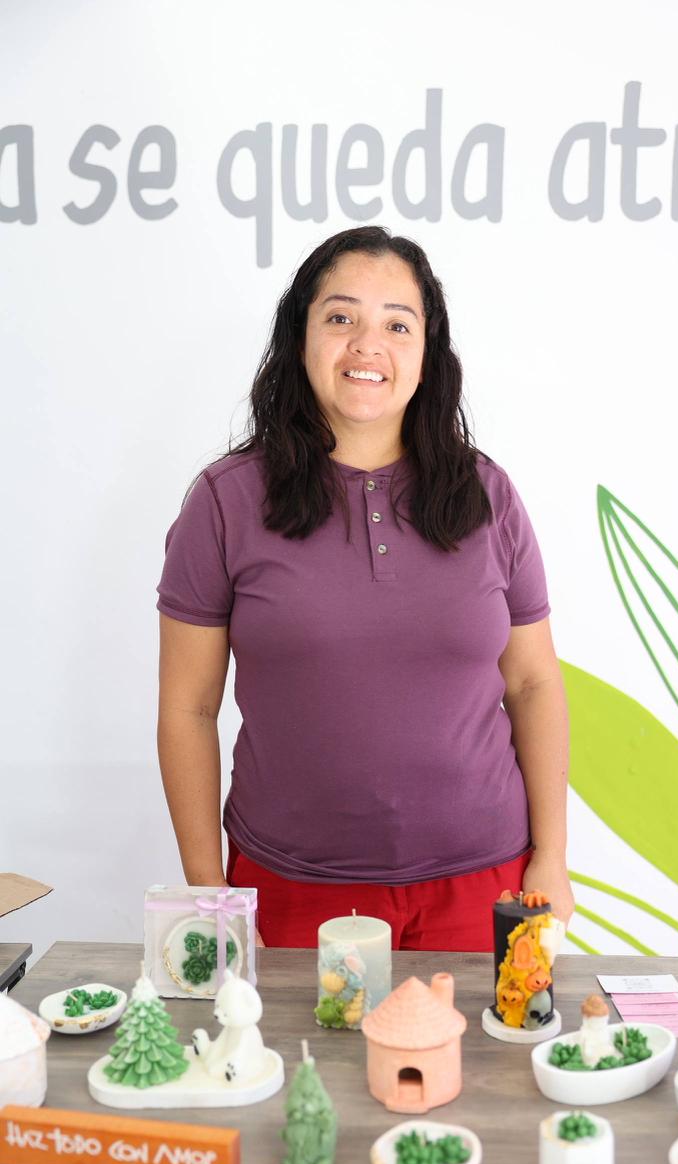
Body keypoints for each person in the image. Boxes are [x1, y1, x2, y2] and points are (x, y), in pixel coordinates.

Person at [156, 226, 574, 950]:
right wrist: (208, 891)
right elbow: (189, 707)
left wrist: (553, 857)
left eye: (397, 325)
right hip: (290, 887)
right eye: (340, 317)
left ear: (428, 353)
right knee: (293, 1037)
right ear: (300, 338)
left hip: (487, 881)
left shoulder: (488, 495)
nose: (366, 345)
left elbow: (534, 683)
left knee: (481, 1036)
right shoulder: (226, 501)